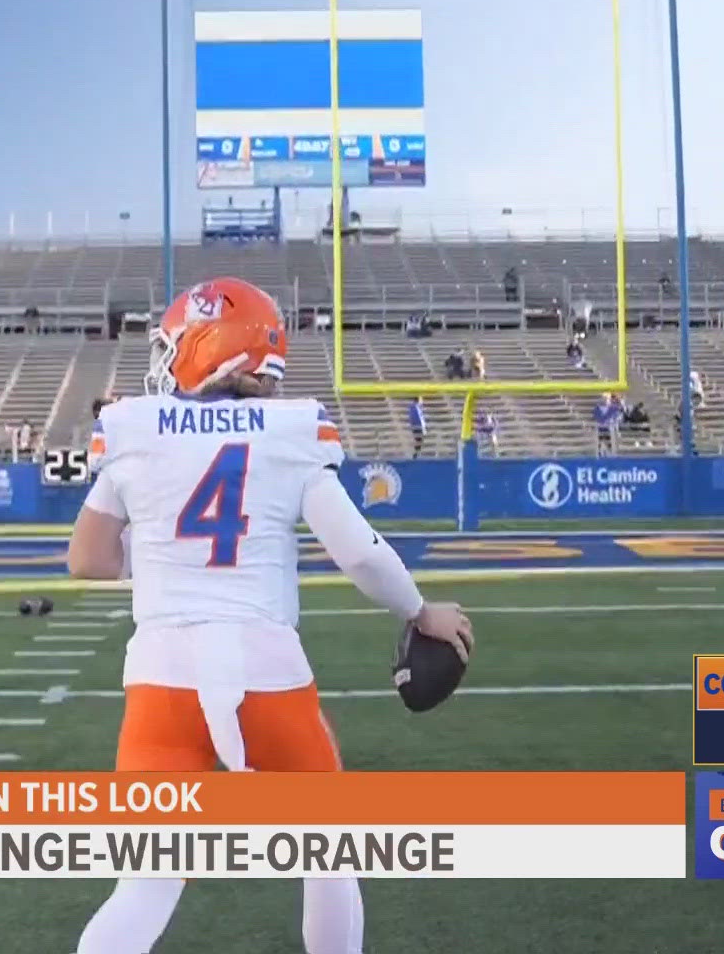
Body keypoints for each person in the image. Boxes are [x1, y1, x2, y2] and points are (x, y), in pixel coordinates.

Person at [67, 276, 473, 954]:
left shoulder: (136, 428)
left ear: (205, 347)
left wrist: (166, 554)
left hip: (162, 679)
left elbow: (86, 558)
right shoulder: (291, 432)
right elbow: (359, 554)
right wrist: (420, 609)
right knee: (329, 858)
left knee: (145, 882)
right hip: (265, 671)